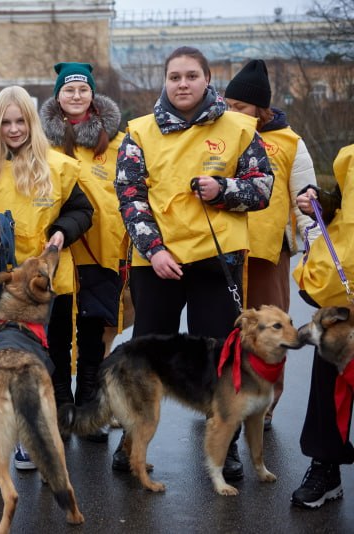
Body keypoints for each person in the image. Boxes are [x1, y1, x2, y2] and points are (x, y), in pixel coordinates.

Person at [114, 46, 274, 480]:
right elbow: (129, 197)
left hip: (216, 261)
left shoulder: (239, 128)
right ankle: (130, 439)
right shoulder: (140, 132)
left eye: (190, 76)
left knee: (220, 360)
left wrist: (223, 189)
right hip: (158, 262)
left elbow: (262, 189)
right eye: (174, 77)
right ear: (164, 82)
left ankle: (226, 444)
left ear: (207, 80)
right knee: (143, 355)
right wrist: (155, 250)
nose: (182, 84)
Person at [0, 85, 93, 476]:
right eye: (6, 122)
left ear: (32, 122)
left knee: (34, 362)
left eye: (21, 121)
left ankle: (29, 436)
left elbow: (82, 211)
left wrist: (63, 230)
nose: (14, 129)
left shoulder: (59, 167)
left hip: (37, 287)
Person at [224, 59, 320, 430]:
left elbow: (307, 196)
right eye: (229, 105)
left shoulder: (289, 142)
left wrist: (311, 241)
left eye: (241, 107)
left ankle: (265, 404)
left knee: (270, 330)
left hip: (268, 251)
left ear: (260, 109)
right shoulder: (218, 135)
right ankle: (226, 398)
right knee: (228, 330)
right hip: (226, 250)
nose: (233, 113)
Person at [40, 62, 127, 442]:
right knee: (57, 330)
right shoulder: (41, 143)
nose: (76, 96)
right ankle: (62, 404)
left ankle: (89, 405)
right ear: (57, 96)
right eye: (68, 90)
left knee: (93, 331)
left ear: (93, 94)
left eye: (83, 90)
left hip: (104, 250)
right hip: (56, 249)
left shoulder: (117, 141)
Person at [291, 144, 354, 509]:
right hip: (345, 289)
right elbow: (342, 205)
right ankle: (325, 467)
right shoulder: (349, 156)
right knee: (331, 378)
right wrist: (321, 202)